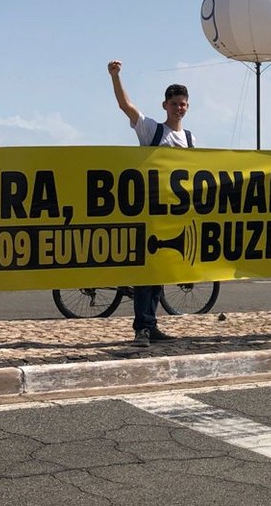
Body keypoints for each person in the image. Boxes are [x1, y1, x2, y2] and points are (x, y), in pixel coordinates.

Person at [108, 60, 188, 348]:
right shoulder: (152, 131)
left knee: (161, 274)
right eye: (174, 103)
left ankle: (152, 324)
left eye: (183, 104)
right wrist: (116, 77)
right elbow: (126, 106)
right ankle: (141, 327)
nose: (179, 108)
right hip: (149, 213)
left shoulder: (190, 139)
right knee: (146, 272)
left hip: (175, 217)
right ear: (165, 105)